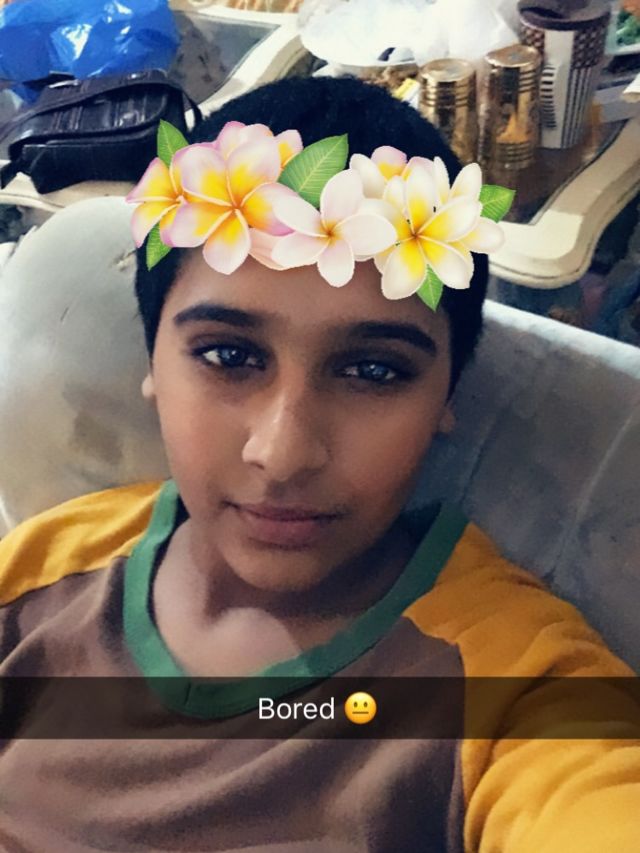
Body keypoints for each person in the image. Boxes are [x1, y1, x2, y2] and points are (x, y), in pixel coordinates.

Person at [0, 75, 638, 852]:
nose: (283, 452)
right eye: (229, 355)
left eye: (373, 370)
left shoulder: (507, 682)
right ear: (153, 363)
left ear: (447, 394)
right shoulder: (38, 572)